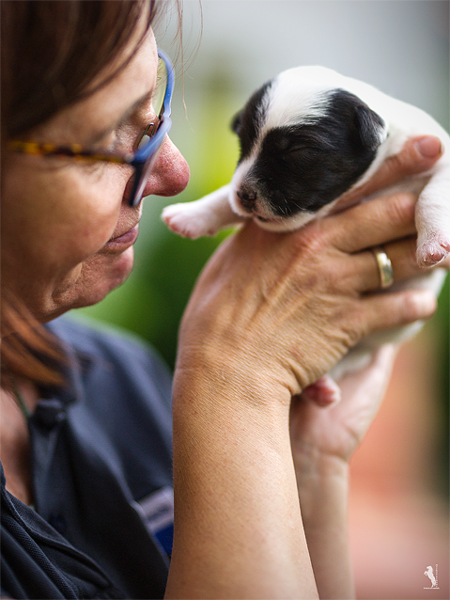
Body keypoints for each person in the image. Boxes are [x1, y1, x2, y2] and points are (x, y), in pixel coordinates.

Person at [0, 0, 446, 598]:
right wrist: (234, 378)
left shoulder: (117, 379)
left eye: (156, 101)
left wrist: (307, 467)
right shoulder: (185, 383)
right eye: (106, 134)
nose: (176, 171)